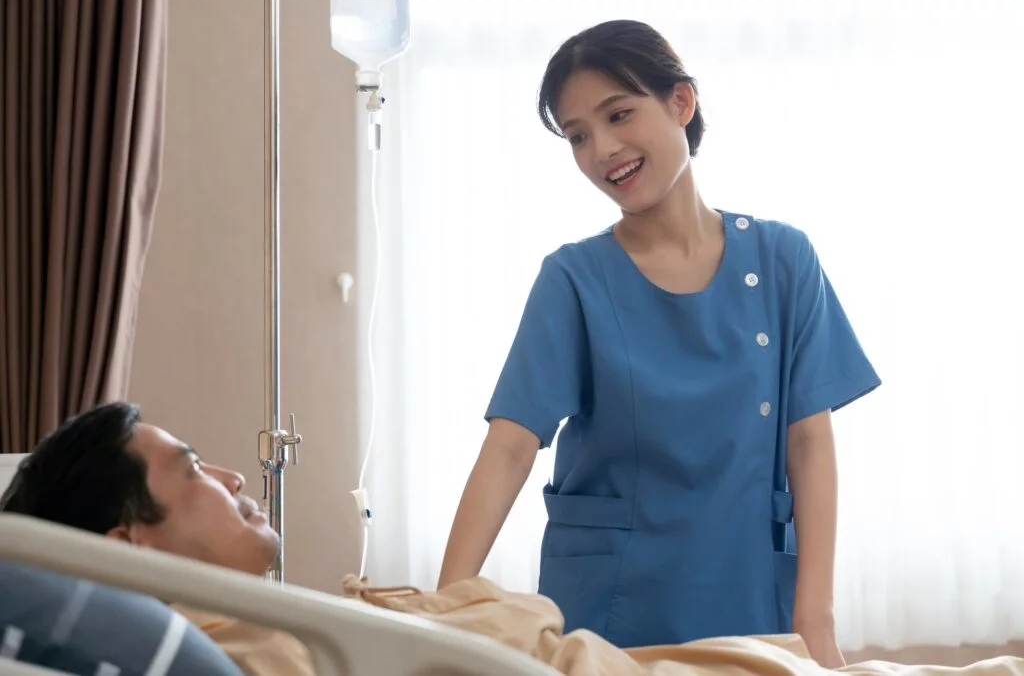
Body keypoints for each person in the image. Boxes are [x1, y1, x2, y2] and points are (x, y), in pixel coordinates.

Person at [437, 19, 882, 667]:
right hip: (613, 610)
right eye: (578, 135)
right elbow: (509, 446)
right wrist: (443, 611)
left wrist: (816, 620)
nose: (602, 149)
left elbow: (810, 442)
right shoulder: (575, 280)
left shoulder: (785, 260)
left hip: (750, 595)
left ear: (681, 102)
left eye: (619, 114)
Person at [4, 403, 1024, 676]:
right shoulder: (266, 649)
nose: (231, 474)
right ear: (128, 542)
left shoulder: (303, 626)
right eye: (190, 470)